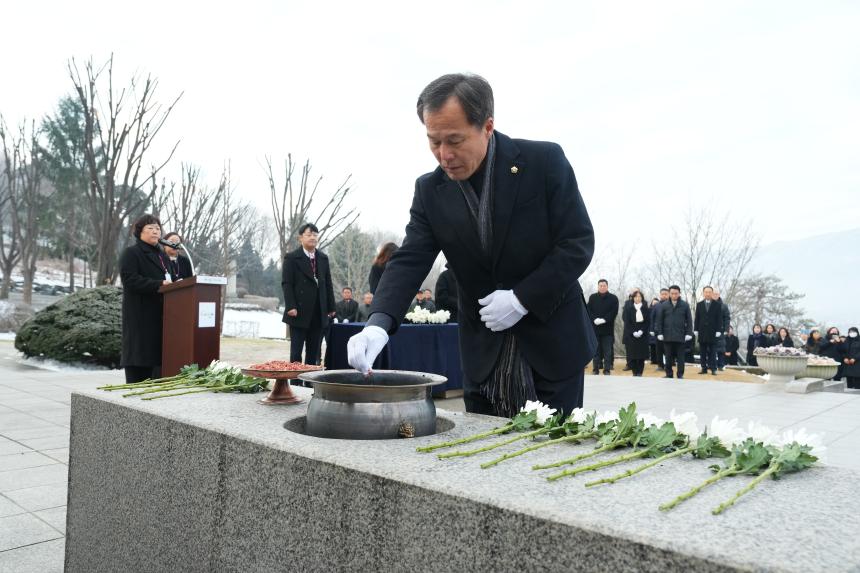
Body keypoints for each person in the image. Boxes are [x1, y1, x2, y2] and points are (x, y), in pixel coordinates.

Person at [346, 73, 596, 417]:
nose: (444, 154)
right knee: (481, 446)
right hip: (484, 357)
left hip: (552, 346)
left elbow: (577, 242)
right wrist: (378, 323)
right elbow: (410, 259)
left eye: (455, 140)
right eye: (434, 141)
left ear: (487, 126)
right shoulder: (430, 191)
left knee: (549, 446)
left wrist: (523, 298)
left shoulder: (543, 163)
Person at [119, 214, 172, 384]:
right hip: (140, 316)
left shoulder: (163, 255)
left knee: (157, 369)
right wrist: (159, 284)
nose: (155, 231)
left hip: (161, 316)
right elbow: (130, 280)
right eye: (150, 228)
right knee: (140, 366)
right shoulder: (132, 253)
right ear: (140, 232)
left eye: (157, 228)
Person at [281, 223, 336, 366]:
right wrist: (291, 306)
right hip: (298, 311)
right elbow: (287, 284)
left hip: (318, 311)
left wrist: (331, 307)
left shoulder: (323, 258)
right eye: (309, 234)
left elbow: (328, 284)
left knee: (313, 352)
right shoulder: (292, 258)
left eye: (315, 235)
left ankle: (310, 378)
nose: (313, 237)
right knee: (296, 352)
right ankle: (295, 378)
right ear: (301, 238)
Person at [654, 285, 693, 379]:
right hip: (668, 335)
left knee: (681, 357)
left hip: (680, 335)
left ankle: (680, 374)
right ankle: (669, 374)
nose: (674, 295)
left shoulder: (685, 305)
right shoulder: (664, 305)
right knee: (668, 356)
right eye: (672, 293)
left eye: (676, 293)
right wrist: (660, 333)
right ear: (669, 294)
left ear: (679, 293)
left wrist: (689, 333)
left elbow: (689, 320)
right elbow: (660, 320)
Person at [587, 279, 619, 375]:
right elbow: (588, 310)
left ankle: (607, 369)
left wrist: (604, 319)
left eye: (604, 285)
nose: (602, 287)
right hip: (595, 328)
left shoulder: (613, 298)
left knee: (607, 351)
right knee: (595, 350)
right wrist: (594, 319)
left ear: (607, 286)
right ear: (598, 286)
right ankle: (595, 369)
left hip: (607, 329)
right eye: (600, 285)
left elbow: (614, 312)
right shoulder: (592, 297)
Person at [694, 286, 722, 375]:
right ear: (703, 293)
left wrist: (718, 330)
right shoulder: (699, 304)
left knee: (713, 351)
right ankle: (704, 368)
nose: (708, 294)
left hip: (713, 331)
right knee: (702, 351)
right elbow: (697, 318)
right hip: (702, 331)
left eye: (709, 292)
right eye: (706, 292)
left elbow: (719, 318)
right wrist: (696, 329)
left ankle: (713, 368)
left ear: (712, 293)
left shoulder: (717, 305)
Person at [622, 290, 650, 376]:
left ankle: (640, 373)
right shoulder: (629, 309)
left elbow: (647, 322)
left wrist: (641, 331)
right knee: (633, 355)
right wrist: (633, 332)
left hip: (643, 335)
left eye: (639, 296)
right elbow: (627, 322)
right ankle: (634, 373)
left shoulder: (645, 309)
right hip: (632, 335)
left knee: (641, 356)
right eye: (636, 296)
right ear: (633, 298)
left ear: (642, 298)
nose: (638, 298)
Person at [650, 288, 669, 370]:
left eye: (666, 294)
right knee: (659, 349)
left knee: (668, 349)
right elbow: (652, 318)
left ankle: (669, 365)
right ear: (660, 295)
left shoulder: (671, 304)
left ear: (668, 294)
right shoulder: (656, 305)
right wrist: (652, 329)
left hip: (669, 330)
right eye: (662, 294)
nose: (664, 295)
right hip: (658, 330)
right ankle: (660, 365)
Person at [712, 288, 731, 371]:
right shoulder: (708, 304)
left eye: (716, 294)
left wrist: (726, 329)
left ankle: (721, 365)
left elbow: (727, 318)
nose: (715, 295)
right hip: (710, 330)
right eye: (714, 294)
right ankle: (711, 364)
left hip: (721, 330)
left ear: (719, 295)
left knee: (721, 349)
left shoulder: (724, 306)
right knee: (710, 348)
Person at [648, 297, 661, 367]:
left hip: (657, 329)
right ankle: (653, 359)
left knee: (657, 346)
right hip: (651, 329)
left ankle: (658, 360)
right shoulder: (649, 310)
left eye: (656, 303)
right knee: (652, 346)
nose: (655, 304)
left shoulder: (659, 309)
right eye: (654, 302)